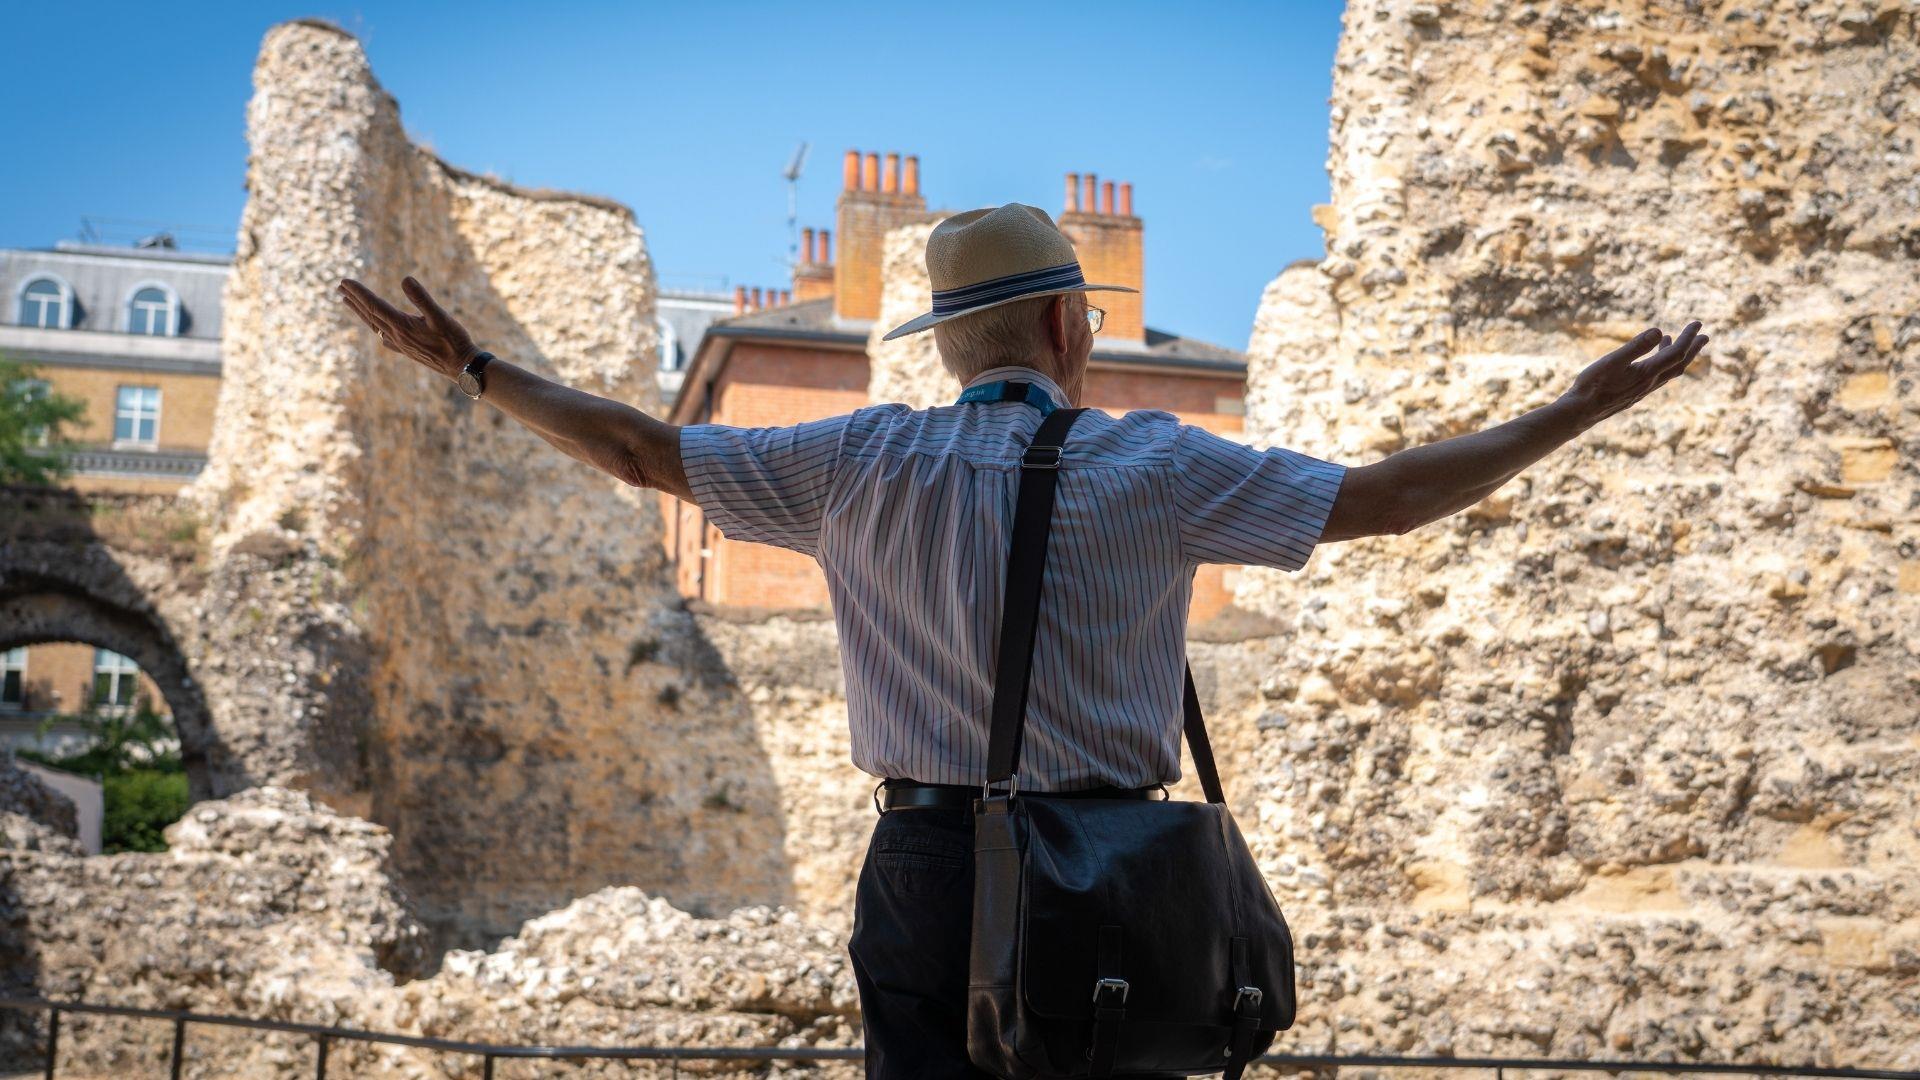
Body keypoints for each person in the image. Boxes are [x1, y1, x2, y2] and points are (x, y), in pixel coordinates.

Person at [336, 201, 1706, 1078]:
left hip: (924, 859)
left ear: (946, 349)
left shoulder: (855, 462)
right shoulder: (1156, 466)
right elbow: (1388, 499)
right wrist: (1571, 409)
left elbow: (638, 447)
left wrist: (472, 367)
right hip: (1111, 864)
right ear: (1070, 325)